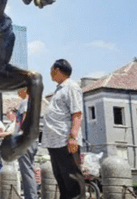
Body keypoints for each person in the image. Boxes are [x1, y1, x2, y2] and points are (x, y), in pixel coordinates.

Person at [42, 59, 84, 199]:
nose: (50, 73)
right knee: (62, 181)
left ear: (57, 70)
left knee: (72, 182)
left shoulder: (71, 86)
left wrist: (73, 137)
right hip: (54, 142)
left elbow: (77, 113)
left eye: (51, 70)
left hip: (65, 141)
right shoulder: (59, 89)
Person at [17, 87, 38, 199]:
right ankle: (31, 195)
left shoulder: (25, 102)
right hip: (32, 140)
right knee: (29, 170)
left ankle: (31, 197)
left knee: (26, 172)